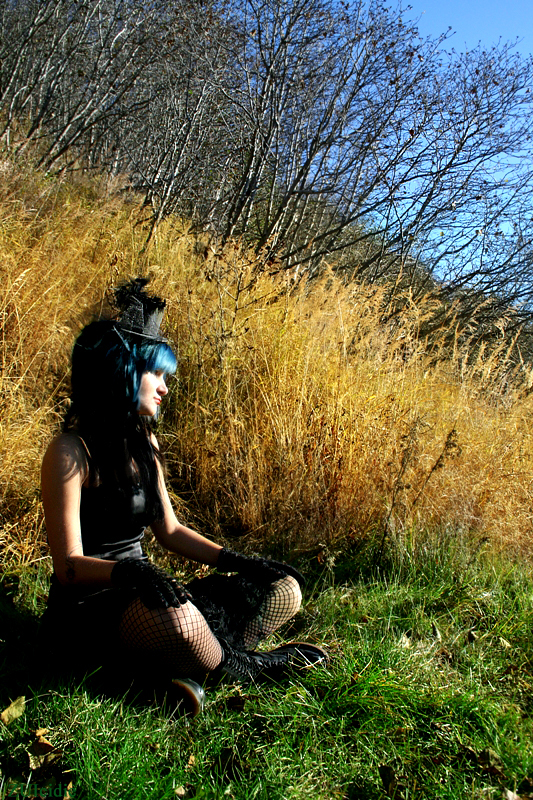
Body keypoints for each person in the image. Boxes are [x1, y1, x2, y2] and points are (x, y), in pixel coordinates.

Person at [41, 279, 326, 713]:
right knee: (180, 619)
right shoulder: (70, 451)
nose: (165, 388)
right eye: (155, 374)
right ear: (123, 369)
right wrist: (130, 574)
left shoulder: (145, 443)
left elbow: (170, 531)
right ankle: (248, 667)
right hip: (94, 608)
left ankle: (178, 673)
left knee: (283, 589)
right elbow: (68, 569)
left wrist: (236, 561)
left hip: (146, 591)